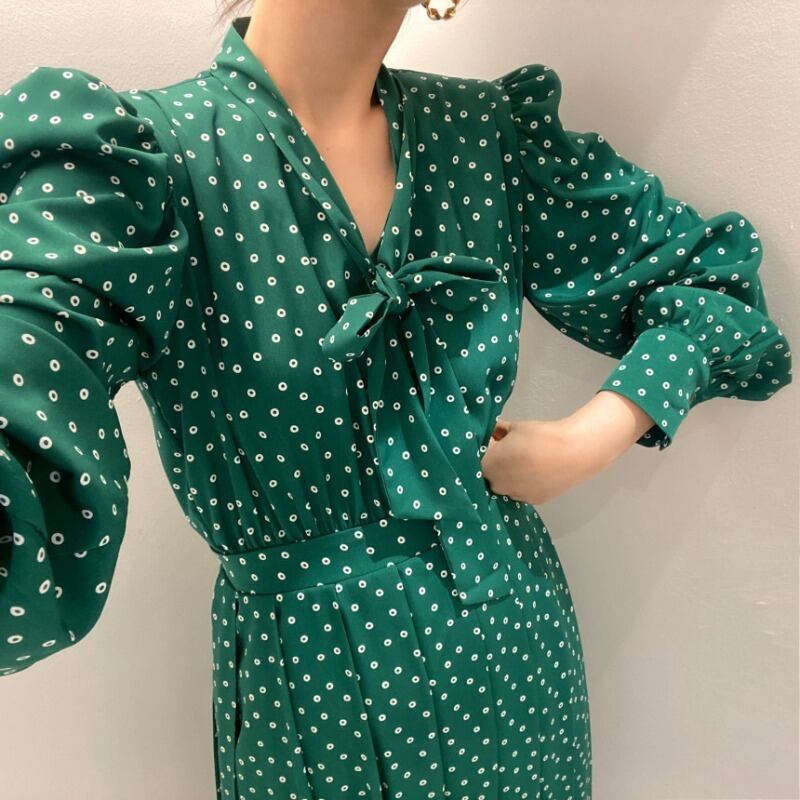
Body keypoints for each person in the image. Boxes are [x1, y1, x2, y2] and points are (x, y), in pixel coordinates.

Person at [0, 2, 792, 798]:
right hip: (313, 696)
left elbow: (712, 284)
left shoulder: (486, 137)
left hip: (518, 657)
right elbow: (29, 372)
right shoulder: (141, 167)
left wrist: (586, 441)